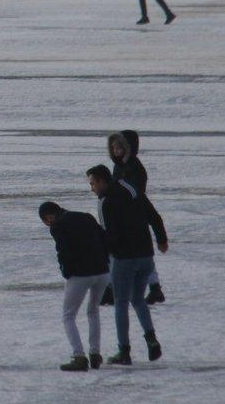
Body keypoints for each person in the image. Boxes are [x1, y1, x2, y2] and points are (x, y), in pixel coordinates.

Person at [86, 164, 168, 365]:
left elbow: (109, 236)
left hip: (124, 259)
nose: (92, 188)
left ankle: (124, 351)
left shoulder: (105, 202)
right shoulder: (132, 190)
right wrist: (161, 239)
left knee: (121, 303)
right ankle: (151, 339)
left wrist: (103, 258)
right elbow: (153, 216)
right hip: (146, 256)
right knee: (138, 299)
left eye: (93, 183)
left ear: (103, 181)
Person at [39, 201, 110, 371]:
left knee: (68, 316)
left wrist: (67, 272)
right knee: (93, 311)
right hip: (101, 272)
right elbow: (105, 239)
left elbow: (63, 251)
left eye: (45, 221)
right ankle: (95, 354)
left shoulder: (57, 225)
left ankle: (79, 357)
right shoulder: (85, 216)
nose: (48, 224)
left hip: (80, 274)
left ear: (49, 216)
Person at [109, 130, 164, 304]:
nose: (116, 151)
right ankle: (113, 288)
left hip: (134, 211)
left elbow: (135, 191)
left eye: (119, 147)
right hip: (123, 211)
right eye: (114, 148)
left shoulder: (136, 167)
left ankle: (154, 288)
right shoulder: (118, 166)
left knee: (142, 255)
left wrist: (161, 238)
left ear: (129, 147)